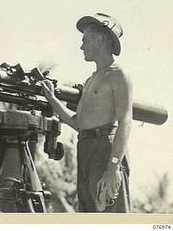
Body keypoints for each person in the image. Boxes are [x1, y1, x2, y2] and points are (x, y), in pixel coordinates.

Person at [41, 13, 132, 212]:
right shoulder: (91, 79)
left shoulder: (118, 75)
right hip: (86, 148)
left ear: (99, 40)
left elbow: (125, 121)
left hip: (105, 150)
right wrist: (52, 99)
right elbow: (77, 123)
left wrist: (113, 167)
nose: (81, 46)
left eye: (85, 40)